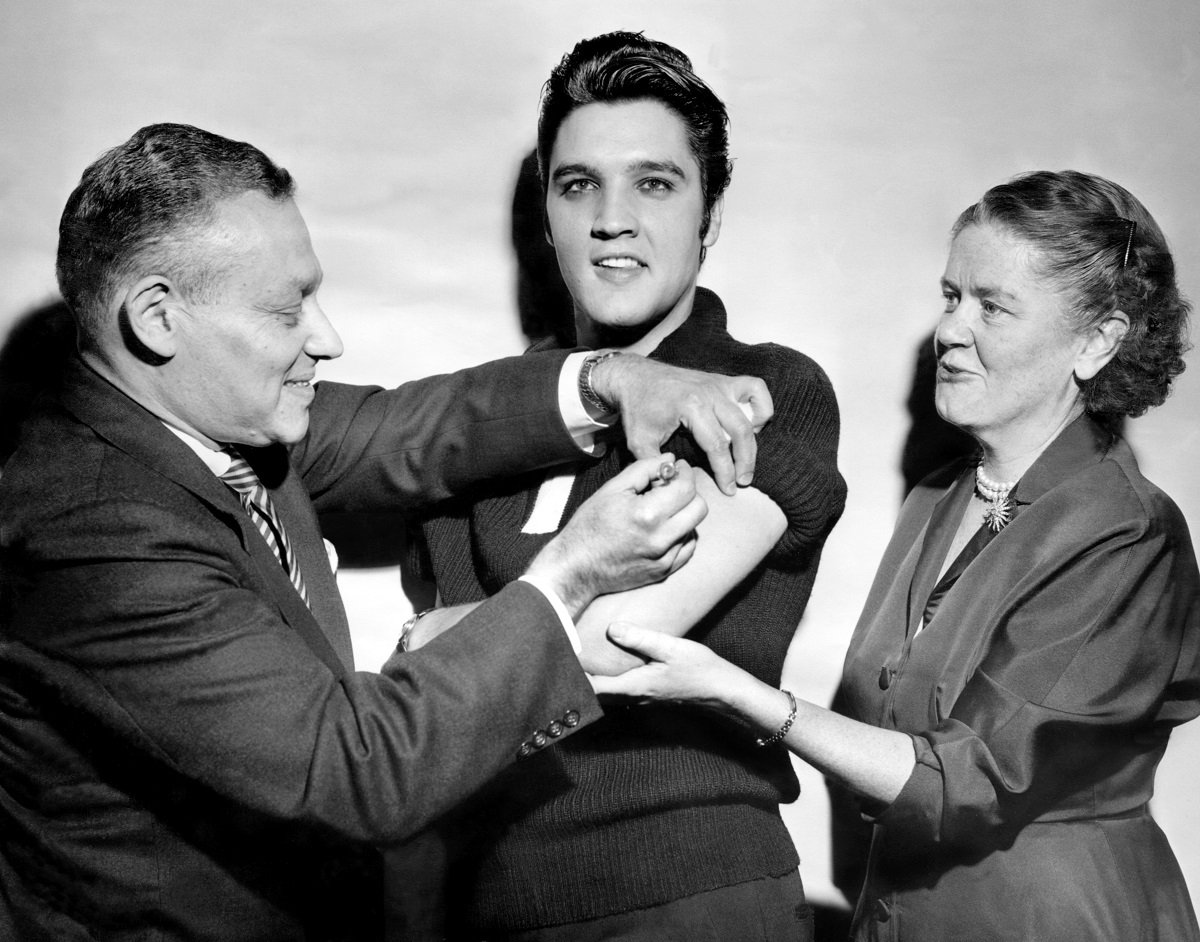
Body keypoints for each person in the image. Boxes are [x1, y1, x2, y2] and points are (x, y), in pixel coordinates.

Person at [0, 122, 776, 941]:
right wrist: (567, 574)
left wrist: (614, 377)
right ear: (157, 318)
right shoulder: (91, 527)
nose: (325, 338)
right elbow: (355, 767)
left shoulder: (212, 421)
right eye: (286, 308)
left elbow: (414, 427)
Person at [595, 169, 1200, 941]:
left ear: (1097, 341)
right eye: (952, 296)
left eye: (994, 306)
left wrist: (731, 691)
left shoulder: (1128, 531)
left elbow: (965, 783)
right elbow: (875, 739)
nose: (950, 330)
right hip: (902, 914)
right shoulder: (938, 499)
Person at [392, 31, 846, 942]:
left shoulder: (762, 391)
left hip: (688, 894)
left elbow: (618, 641)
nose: (612, 218)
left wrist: (441, 632)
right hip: (487, 904)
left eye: (655, 183)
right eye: (578, 185)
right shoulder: (495, 418)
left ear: (711, 214)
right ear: (547, 216)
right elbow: (441, 715)